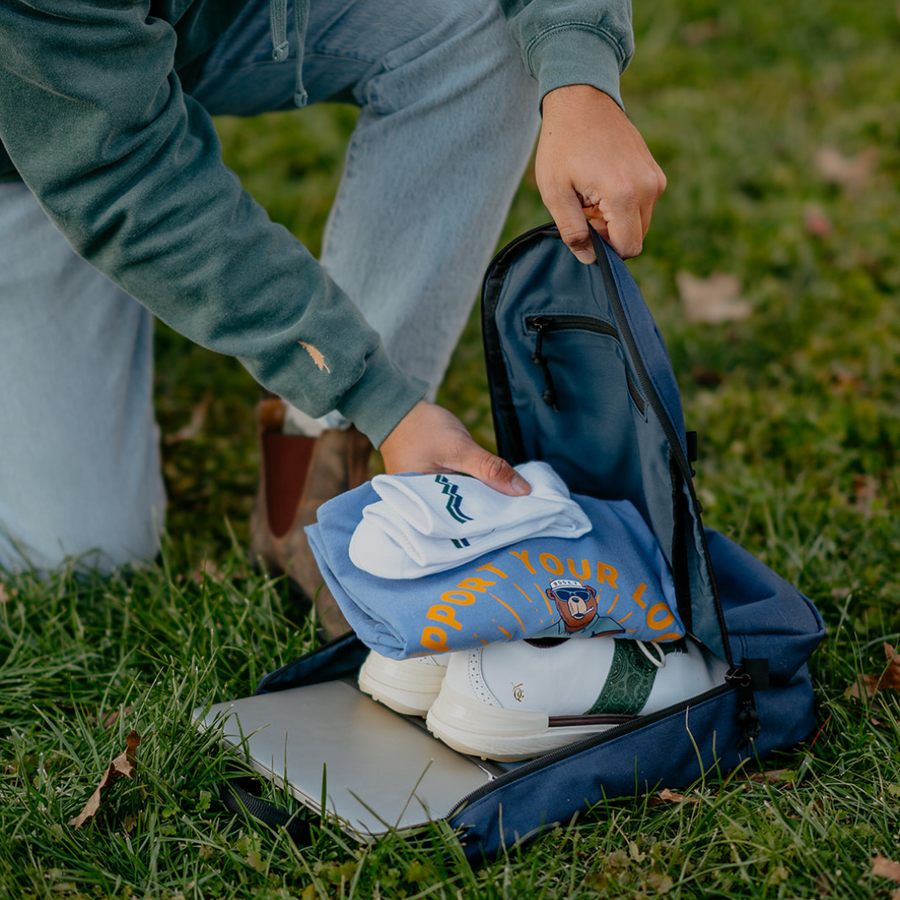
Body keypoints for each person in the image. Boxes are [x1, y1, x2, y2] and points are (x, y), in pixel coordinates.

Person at [0, 0, 665, 634]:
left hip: (190, 33)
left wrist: (582, 78)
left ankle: (322, 466)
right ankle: (365, 408)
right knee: (81, 556)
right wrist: (376, 391)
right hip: (39, 127)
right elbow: (122, 175)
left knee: (473, 28)